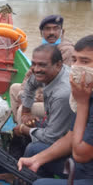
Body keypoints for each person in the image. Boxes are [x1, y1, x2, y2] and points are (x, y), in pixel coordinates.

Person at [17, 35, 93, 184]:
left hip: (87, 170)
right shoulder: (86, 91)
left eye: (85, 61)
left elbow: (80, 155)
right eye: (74, 60)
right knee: (34, 151)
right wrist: (36, 160)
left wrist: (82, 104)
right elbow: (71, 136)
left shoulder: (80, 97)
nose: (76, 66)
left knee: (40, 184)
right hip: (84, 165)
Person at [10, 15, 74, 124]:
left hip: (58, 101)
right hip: (41, 93)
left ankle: (24, 132)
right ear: (41, 33)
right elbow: (30, 75)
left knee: (23, 109)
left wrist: (29, 100)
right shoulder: (45, 49)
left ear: (62, 31)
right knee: (14, 88)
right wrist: (23, 93)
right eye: (47, 29)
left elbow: (58, 87)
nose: (51, 33)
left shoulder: (67, 51)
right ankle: (22, 127)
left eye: (55, 28)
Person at [13, 44, 74, 147]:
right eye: (33, 64)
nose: (36, 69)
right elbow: (30, 85)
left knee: (32, 148)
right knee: (15, 89)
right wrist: (26, 112)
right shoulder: (47, 72)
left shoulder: (62, 94)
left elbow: (52, 137)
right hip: (51, 117)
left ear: (58, 65)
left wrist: (24, 129)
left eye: (42, 65)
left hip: (67, 135)